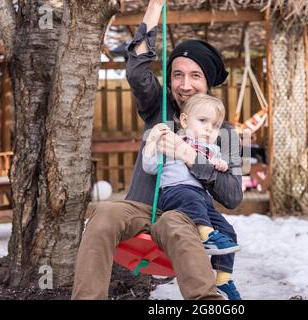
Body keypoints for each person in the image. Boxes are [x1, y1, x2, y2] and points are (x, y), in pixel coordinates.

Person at [72, 0, 243, 300]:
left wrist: (190, 156)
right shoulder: (158, 106)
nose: (185, 84)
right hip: (139, 208)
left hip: (184, 214)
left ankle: (208, 302)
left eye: (195, 76)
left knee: (175, 224)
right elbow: (137, 71)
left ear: (208, 83)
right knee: (104, 214)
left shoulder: (224, 133)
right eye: (178, 74)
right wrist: (154, 9)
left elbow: (232, 195)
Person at [142, 93, 242, 300]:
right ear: (185, 120)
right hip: (175, 192)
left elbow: (217, 169)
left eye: (215, 126)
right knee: (192, 199)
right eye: (203, 121)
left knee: (228, 231)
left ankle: (223, 279)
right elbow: (150, 166)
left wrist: (220, 165)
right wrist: (152, 141)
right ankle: (206, 234)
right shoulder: (171, 141)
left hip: (202, 199)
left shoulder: (213, 149)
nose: (208, 129)